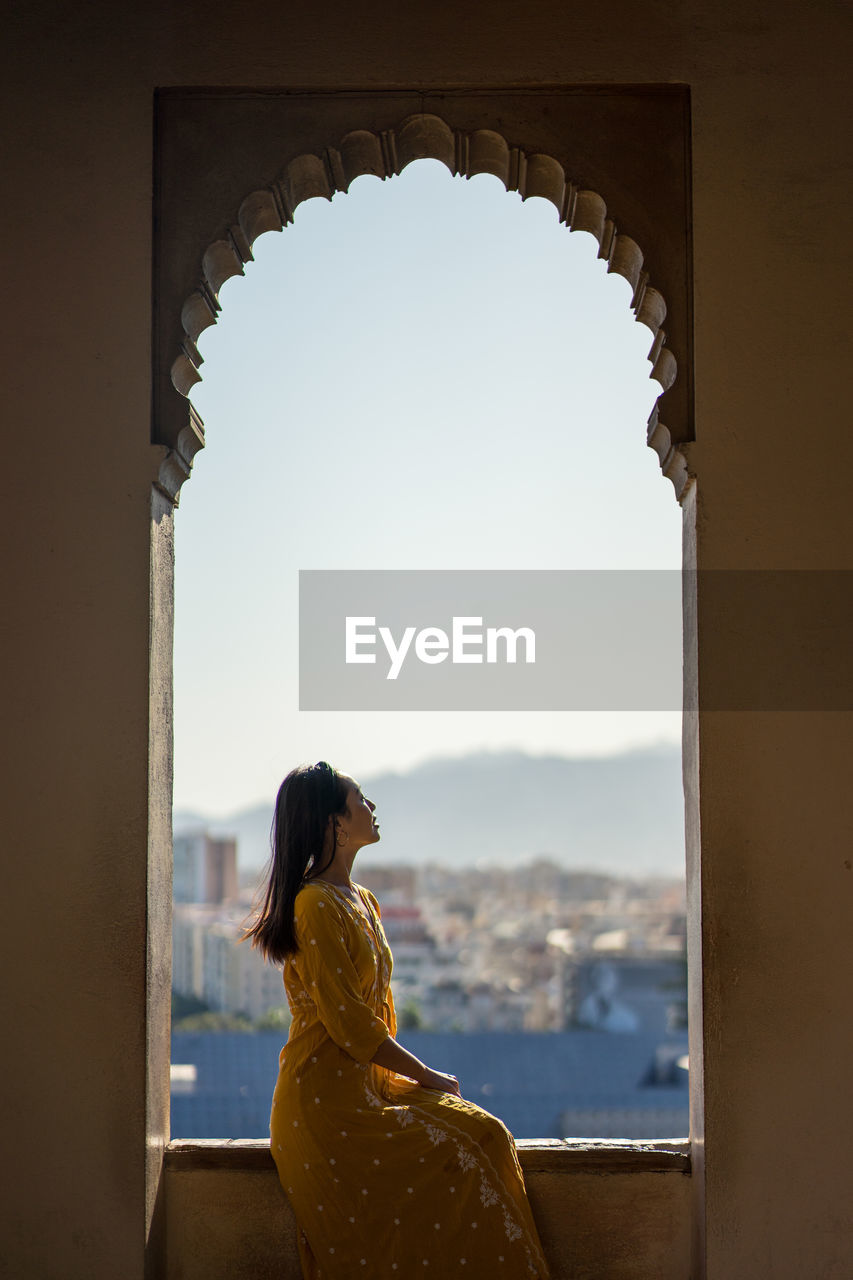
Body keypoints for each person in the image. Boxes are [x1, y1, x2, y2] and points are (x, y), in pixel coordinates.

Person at [245, 760, 551, 1279]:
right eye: (360, 799)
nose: (372, 807)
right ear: (334, 823)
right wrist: (427, 1077)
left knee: (489, 1134)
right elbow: (353, 1025)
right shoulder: (315, 905)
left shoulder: (362, 900)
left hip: (370, 1088)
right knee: (468, 1147)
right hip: (327, 1107)